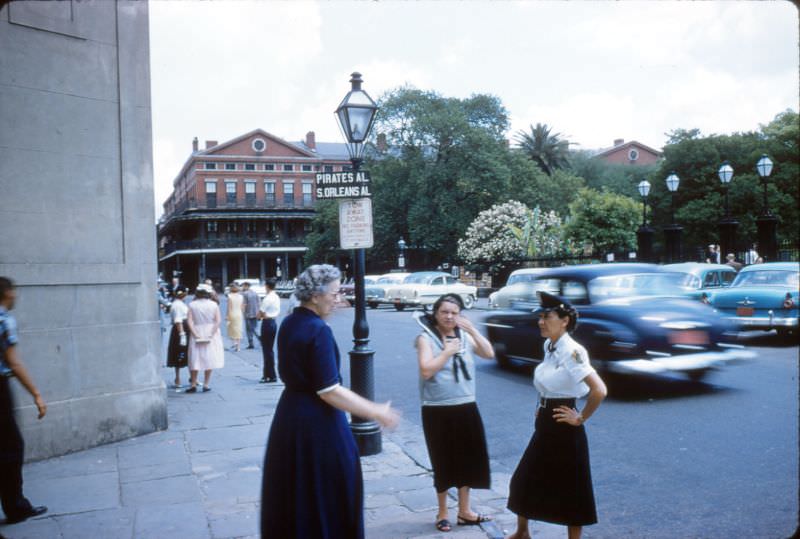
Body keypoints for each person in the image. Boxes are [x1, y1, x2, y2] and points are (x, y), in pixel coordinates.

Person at [260, 264, 399, 539]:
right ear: (315, 295)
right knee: (331, 490)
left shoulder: (290, 322)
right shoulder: (317, 329)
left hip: (289, 418)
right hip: (318, 423)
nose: (339, 299)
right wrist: (376, 411)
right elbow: (329, 390)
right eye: (334, 294)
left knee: (297, 494)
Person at [507, 292, 607, 539]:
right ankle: (522, 532)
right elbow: (551, 380)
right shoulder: (549, 345)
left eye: (547, 317)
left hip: (564, 425)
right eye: (540, 317)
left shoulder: (572, 350)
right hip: (546, 419)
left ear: (564, 321)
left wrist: (580, 417)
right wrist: (541, 403)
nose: (541, 321)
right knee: (524, 479)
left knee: (572, 487)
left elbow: (599, 390)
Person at [415, 293, 495, 532]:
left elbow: (489, 353)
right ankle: (442, 513)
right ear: (436, 314)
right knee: (443, 459)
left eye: (454, 312)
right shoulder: (425, 338)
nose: (449, 316)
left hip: (466, 404)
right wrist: (447, 353)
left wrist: (472, 330)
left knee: (468, 458)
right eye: (444, 312)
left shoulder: (464, 336)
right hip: (437, 409)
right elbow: (426, 370)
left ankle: (465, 511)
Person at [0, 277, 48, 525]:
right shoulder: (4, 319)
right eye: (14, 290)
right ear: (7, 292)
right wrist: (37, 394)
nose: (16, 295)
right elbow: (14, 362)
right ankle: (15, 506)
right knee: (11, 447)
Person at [186, 283, 225, 393]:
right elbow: (218, 321)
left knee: (195, 357)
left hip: (197, 330)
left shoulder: (192, 304)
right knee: (210, 357)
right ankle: (206, 384)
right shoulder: (214, 305)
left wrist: (194, 333)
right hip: (211, 331)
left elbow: (189, 321)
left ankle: (193, 383)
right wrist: (211, 334)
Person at [257, 279, 280, 383]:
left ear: (267, 286)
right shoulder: (276, 297)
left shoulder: (267, 298)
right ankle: (270, 374)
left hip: (266, 323)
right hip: (273, 322)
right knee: (269, 349)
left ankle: (269, 375)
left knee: (266, 350)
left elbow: (260, 313)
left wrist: (259, 316)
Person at [166, 286, 189, 389]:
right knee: (181, 352)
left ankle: (182, 378)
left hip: (180, 329)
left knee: (182, 353)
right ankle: (178, 378)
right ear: (183, 294)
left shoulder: (177, 303)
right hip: (181, 329)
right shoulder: (178, 305)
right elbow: (178, 320)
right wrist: (182, 334)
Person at [226, 283, 244, 352]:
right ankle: (238, 347)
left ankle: (234, 342)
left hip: (232, 313)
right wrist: (242, 313)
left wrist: (227, 316)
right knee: (238, 330)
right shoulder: (241, 296)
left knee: (231, 329)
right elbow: (242, 307)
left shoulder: (230, 296)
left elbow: (229, 308)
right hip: (239, 314)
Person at [242, 282, 260, 350]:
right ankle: (260, 338)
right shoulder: (255, 293)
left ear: (246, 286)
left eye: (243, 286)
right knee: (255, 328)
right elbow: (259, 302)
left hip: (248, 314)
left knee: (249, 329)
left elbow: (244, 304)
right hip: (255, 313)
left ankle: (251, 343)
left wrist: (243, 313)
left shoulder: (245, 294)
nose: (242, 287)